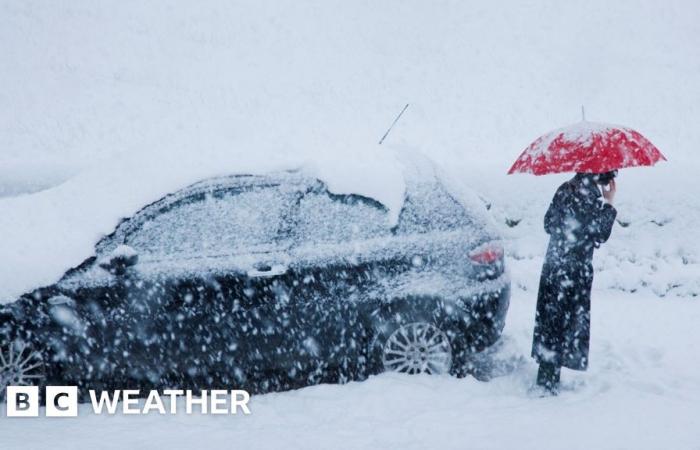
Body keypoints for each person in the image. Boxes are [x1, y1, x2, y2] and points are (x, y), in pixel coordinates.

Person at [531, 170, 618, 394]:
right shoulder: (590, 196)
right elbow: (599, 233)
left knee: (551, 321)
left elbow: (548, 223)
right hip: (574, 270)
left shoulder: (565, 188)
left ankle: (547, 374)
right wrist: (608, 204)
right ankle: (548, 382)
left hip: (554, 266)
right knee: (565, 323)